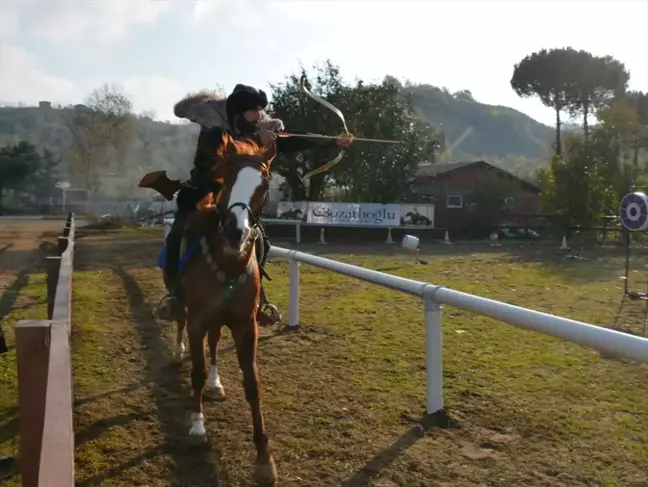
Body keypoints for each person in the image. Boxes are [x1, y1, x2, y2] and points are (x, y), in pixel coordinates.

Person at [161, 83, 353, 323]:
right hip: (205, 192)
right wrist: (255, 139)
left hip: (237, 199)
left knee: (263, 242)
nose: (260, 114)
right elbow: (215, 160)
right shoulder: (213, 129)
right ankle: (175, 298)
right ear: (240, 111)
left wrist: (333, 141)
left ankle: (258, 299)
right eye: (255, 110)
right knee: (178, 235)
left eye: (261, 109)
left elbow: (291, 140)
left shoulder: (259, 126)